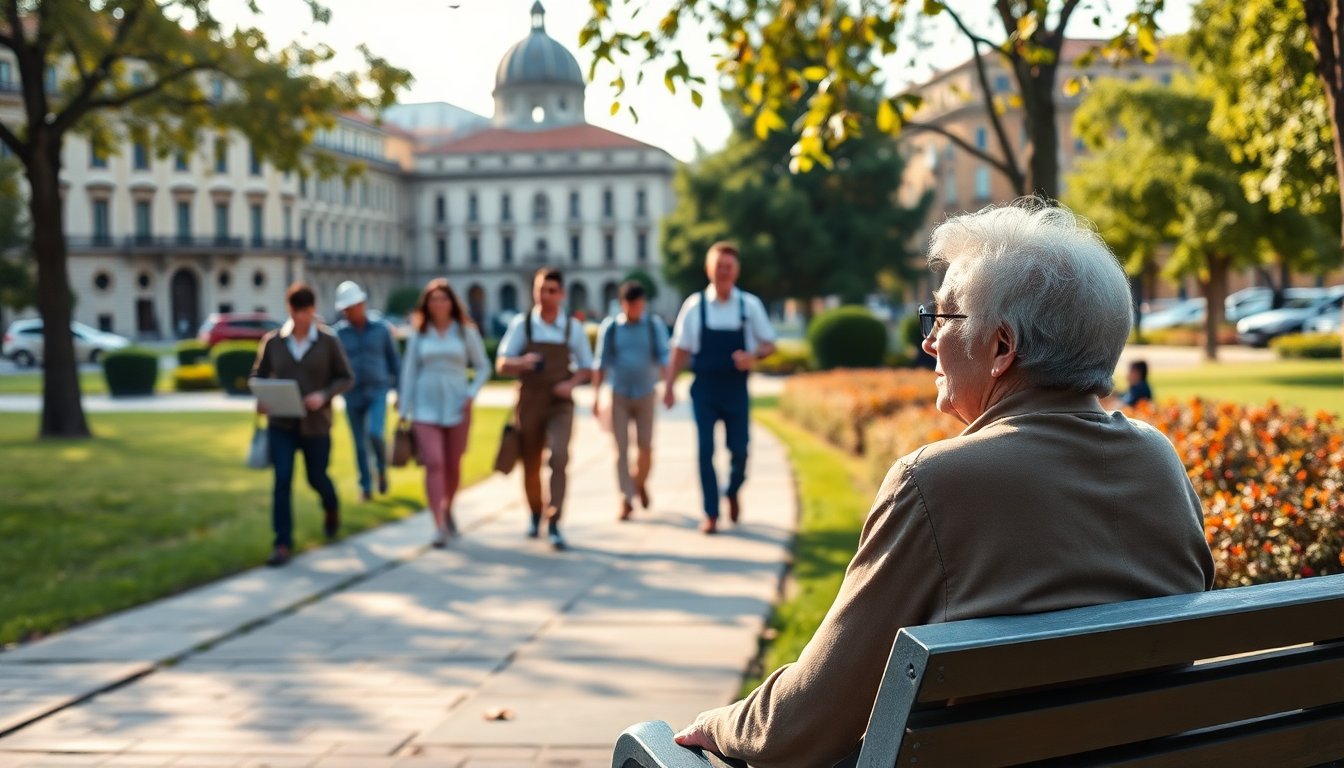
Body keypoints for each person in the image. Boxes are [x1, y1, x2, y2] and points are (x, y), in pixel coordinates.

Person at [671, 201, 1216, 768]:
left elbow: (798, 728)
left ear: (1002, 347)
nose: (928, 342)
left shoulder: (933, 484)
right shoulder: (1159, 460)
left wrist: (716, 722)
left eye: (943, 319)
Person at [662, 242, 776, 534]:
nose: (723, 272)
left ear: (736, 271)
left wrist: (752, 356)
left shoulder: (748, 306)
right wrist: (670, 385)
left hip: (736, 388)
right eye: (718, 267)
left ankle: (733, 490)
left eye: (728, 267)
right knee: (705, 450)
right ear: (708, 269)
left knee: (740, 451)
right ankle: (711, 513)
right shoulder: (694, 306)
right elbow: (680, 349)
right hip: (705, 388)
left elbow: (769, 344)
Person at [251, 282, 354, 567]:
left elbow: (346, 377)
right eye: (295, 311)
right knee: (282, 480)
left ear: (313, 311)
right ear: (289, 310)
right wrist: (261, 398)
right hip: (281, 423)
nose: (300, 317)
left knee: (316, 477)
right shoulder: (273, 341)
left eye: (305, 311)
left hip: (316, 425)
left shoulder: (328, 341)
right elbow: (258, 376)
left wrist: (323, 395)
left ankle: (331, 506)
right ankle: (282, 543)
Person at [496, 268, 593, 550]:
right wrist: (521, 362)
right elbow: (501, 363)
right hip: (529, 401)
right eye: (540, 290)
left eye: (551, 290)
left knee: (559, 456)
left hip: (559, 403)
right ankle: (535, 511)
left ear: (561, 294)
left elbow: (587, 367)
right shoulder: (522, 325)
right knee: (531, 463)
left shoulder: (571, 328)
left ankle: (555, 520)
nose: (545, 296)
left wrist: (571, 383)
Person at [398, 278, 491, 547]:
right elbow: (409, 371)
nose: (439, 304)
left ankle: (448, 506)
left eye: (443, 298)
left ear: (452, 302)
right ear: (427, 304)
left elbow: (483, 366)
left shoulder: (464, 332)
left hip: (457, 403)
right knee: (434, 462)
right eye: (434, 299)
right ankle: (438, 523)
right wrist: (405, 407)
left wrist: (472, 394)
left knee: (453, 464)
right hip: (425, 404)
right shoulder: (420, 333)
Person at [592, 280, 671, 521]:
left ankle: (639, 482)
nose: (636, 309)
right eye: (631, 305)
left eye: (639, 304)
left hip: (646, 393)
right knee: (621, 449)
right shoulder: (612, 327)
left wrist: (669, 387)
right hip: (619, 394)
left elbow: (664, 357)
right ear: (623, 304)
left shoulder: (653, 325)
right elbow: (600, 362)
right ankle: (626, 498)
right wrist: (596, 397)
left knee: (646, 447)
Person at [332, 280, 400, 502]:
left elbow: (394, 361)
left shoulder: (381, 329)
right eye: (348, 308)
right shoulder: (338, 335)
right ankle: (366, 486)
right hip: (352, 393)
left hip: (378, 390)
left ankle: (381, 468)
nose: (352, 311)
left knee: (375, 433)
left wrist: (399, 391)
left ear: (363, 304)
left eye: (356, 306)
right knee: (359, 444)